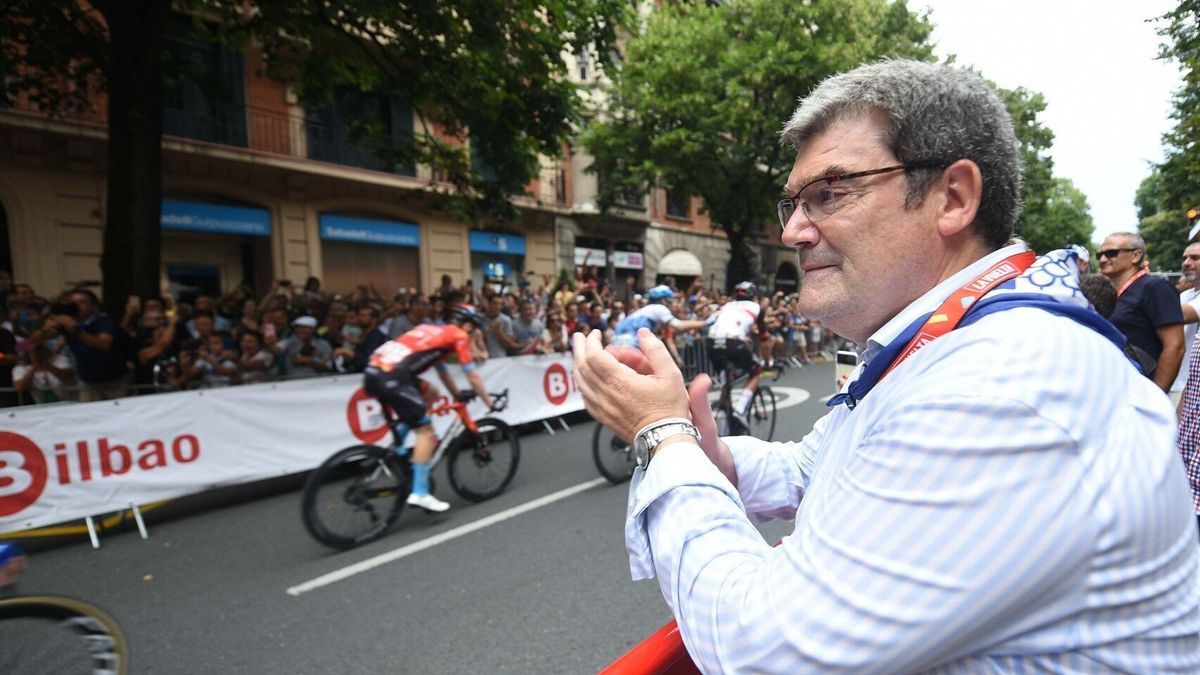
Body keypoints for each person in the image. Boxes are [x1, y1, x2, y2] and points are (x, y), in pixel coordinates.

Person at [572, 59, 1199, 671]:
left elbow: (761, 649)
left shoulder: (1003, 382)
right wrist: (717, 457)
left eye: (829, 193)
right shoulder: (945, 343)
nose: (794, 230)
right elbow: (814, 466)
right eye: (791, 202)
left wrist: (663, 436)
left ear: (952, 198)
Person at [364, 304, 495, 512]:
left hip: (375, 372)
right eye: (474, 329)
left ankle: (397, 450)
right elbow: (473, 376)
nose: (472, 335)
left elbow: (442, 372)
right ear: (468, 325)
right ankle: (420, 493)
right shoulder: (459, 335)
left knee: (431, 392)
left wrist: (456, 395)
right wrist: (490, 402)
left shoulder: (431, 330)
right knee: (426, 430)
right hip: (393, 378)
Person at [1098, 231, 1184, 392]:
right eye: (1100, 254)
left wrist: (1156, 396)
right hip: (1112, 391)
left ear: (1136, 256)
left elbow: (1175, 346)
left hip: (1140, 393)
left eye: (1111, 253)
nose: (1102, 259)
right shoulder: (1109, 293)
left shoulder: (1154, 287)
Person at [704, 281, 767, 418]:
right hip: (733, 343)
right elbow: (764, 336)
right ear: (754, 295)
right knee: (755, 371)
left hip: (711, 343)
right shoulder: (757, 307)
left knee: (728, 378)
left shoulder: (725, 306)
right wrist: (768, 359)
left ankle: (722, 408)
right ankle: (740, 410)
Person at [611, 285, 707, 349]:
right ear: (663, 300)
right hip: (631, 348)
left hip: (618, 346)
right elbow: (678, 326)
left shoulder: (645, 310)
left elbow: (676, 331)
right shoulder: (659, 308)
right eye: (670, 301)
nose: (672, 304)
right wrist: (705, 323)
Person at [1175, 241, 1200, 404]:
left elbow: (1180, 315)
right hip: (1176, 383)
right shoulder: (1185, 295)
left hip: (1191, 388)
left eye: (1194, 258)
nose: (1186, 263)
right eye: (1185, 258)